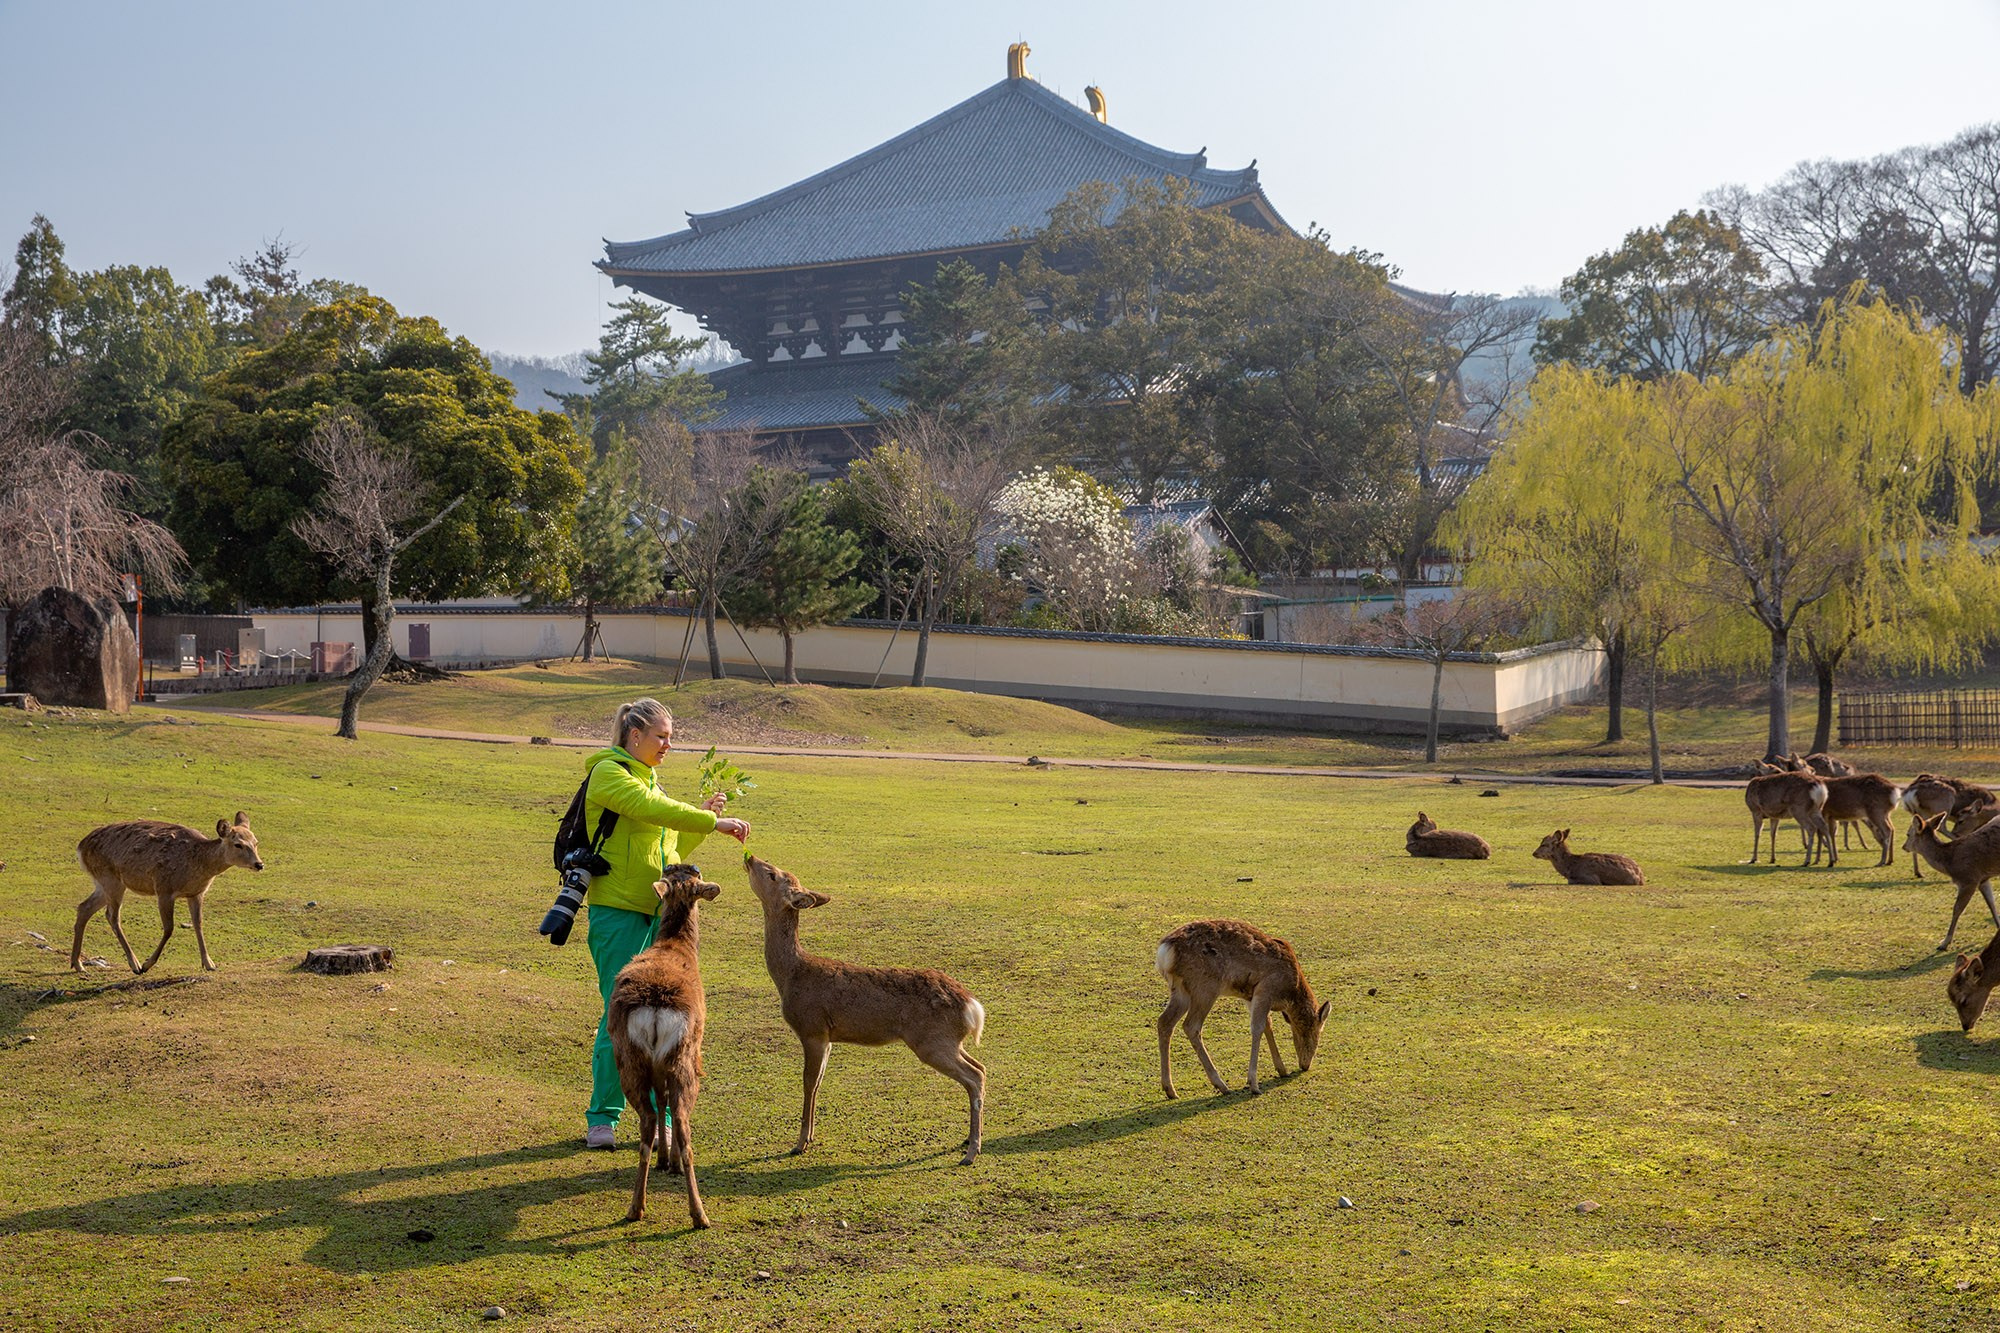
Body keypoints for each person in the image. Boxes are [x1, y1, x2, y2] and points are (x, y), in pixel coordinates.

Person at [579, 697, 748, 1149]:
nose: (668, 745)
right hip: (616, 913)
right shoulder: (609, 774)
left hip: (661, 917)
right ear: (635, 735)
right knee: (617, 1016)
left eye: (671, 737)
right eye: (662, 736)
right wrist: (711, 818)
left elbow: (670, 849)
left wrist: (703, 820)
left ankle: (667, 1118)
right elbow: (652, 811)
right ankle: (603, 1118)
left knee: (672, 1021)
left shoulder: (650, 782)